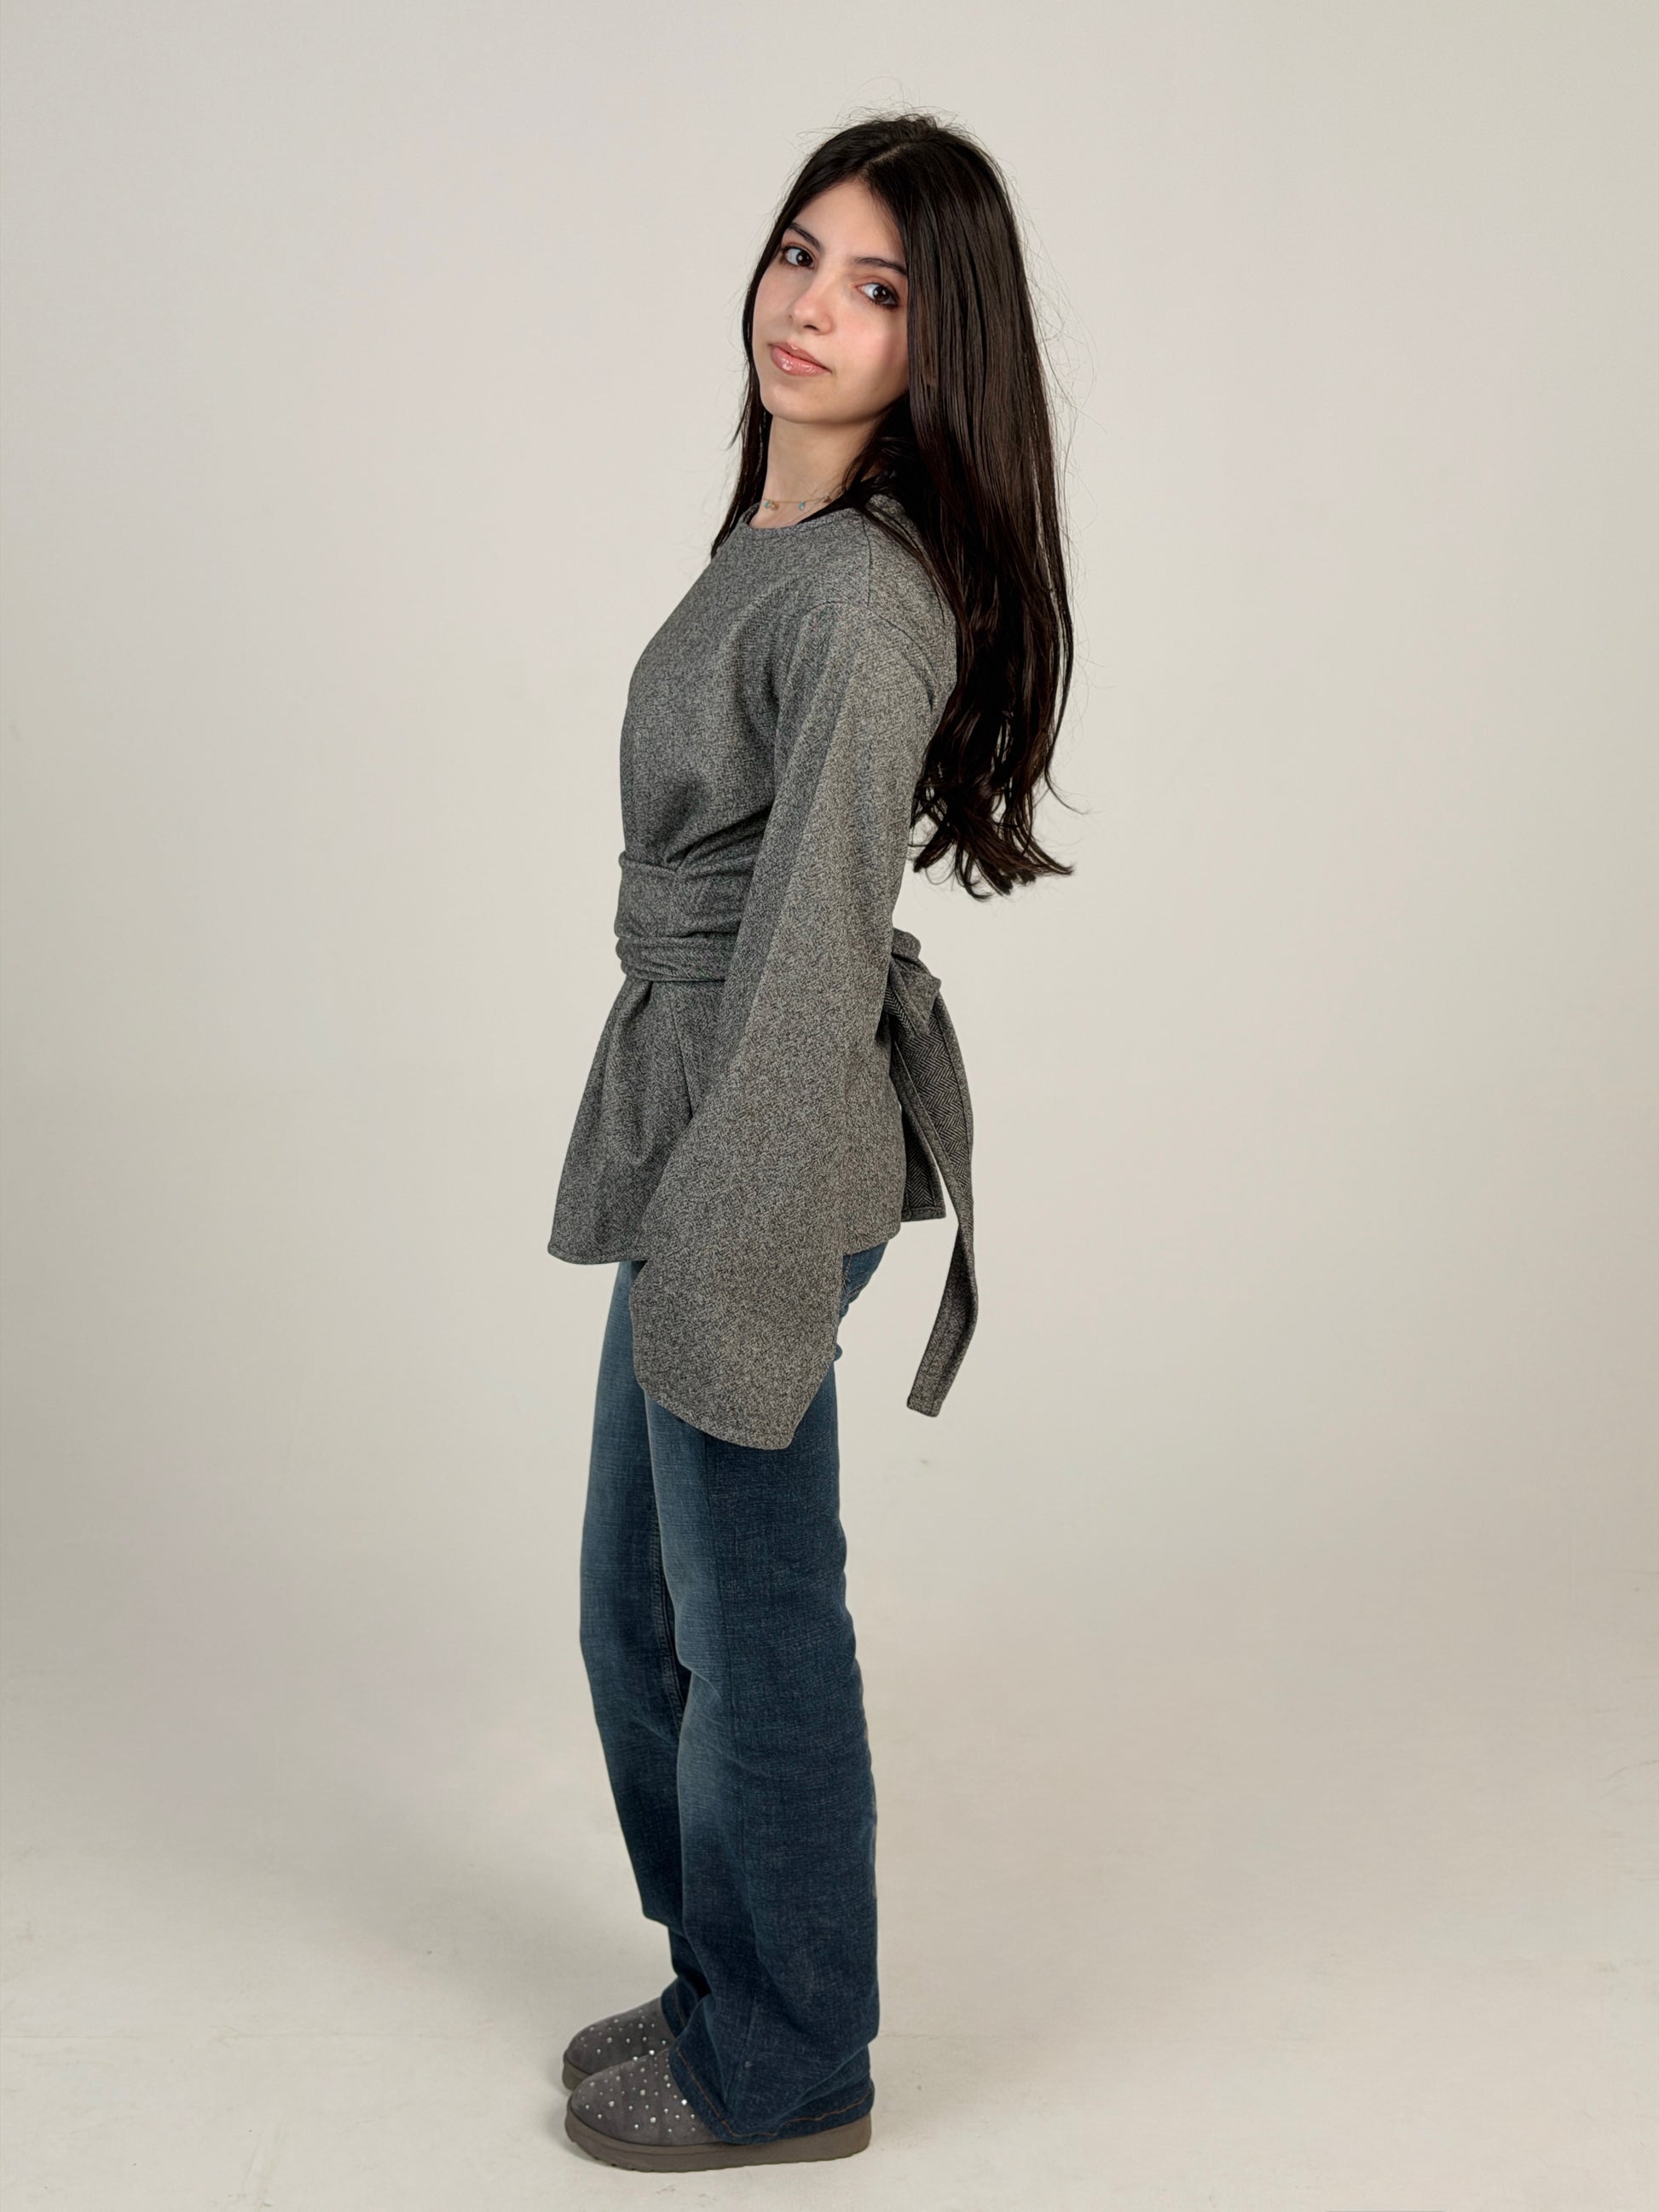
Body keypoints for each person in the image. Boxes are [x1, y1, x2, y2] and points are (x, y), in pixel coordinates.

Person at [545, 110, 1075, 2173]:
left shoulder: (861, 598)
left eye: (877, 287)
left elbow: (814, 931)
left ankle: (790, 2054)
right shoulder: (775, 540)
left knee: (749, 1611)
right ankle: (726, 1972)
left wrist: (734, 1221)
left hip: (764, 1136)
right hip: (695, 1106)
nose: (812, 307)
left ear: (940, 345)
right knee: (637, 1597)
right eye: (798, 254)